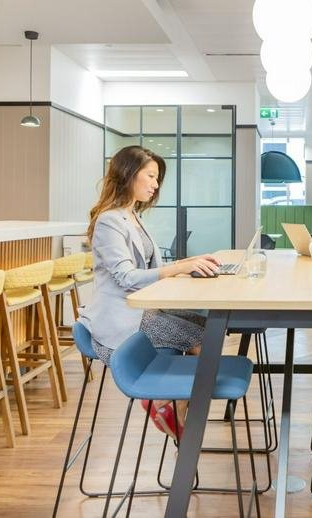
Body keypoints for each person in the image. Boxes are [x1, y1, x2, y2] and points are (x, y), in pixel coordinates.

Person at [78, 145, 221, 439]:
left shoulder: (131, 216)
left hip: (140, 310)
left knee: (208, 327)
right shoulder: (109, 220)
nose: (156, 185)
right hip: (121, 320)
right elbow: (127, 277)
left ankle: (172, 406)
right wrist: (179, 268)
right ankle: (176, 411)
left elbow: (151, 268)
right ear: (129, 175)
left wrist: (188, 263)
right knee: (205, 339)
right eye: (151, 176)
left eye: (157, 179)